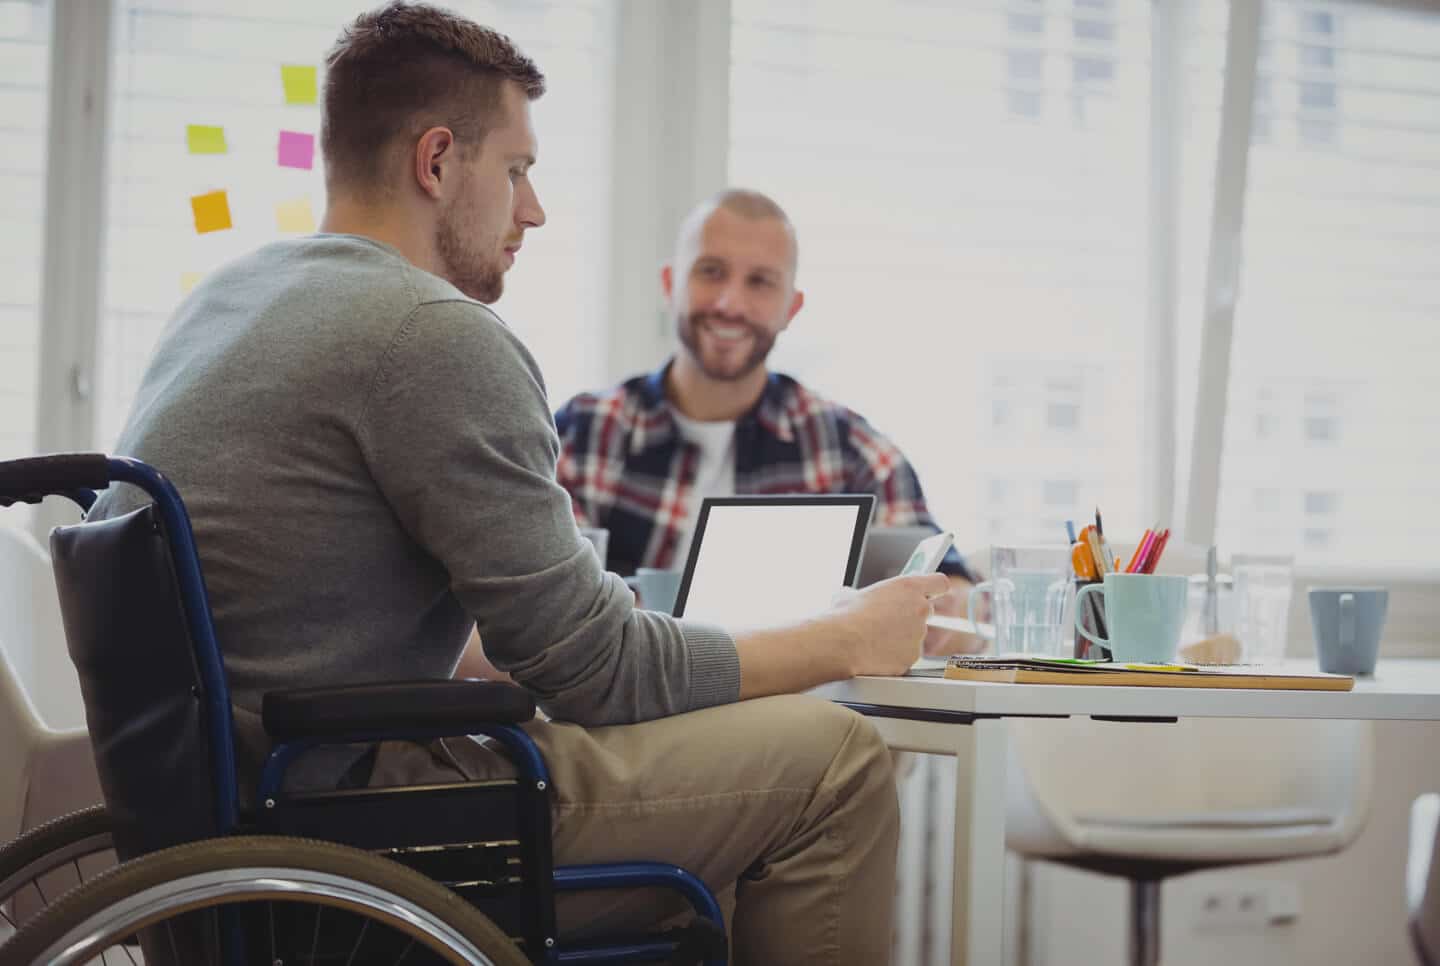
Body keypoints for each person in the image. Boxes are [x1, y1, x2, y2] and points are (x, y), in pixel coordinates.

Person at [90, 5, 948, 963]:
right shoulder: (430, 332)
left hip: (225, 816)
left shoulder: (227, 298)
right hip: (367, 824)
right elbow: (602, 670)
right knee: (833, 759)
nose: (531, 210)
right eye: (518, 170)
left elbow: (297, 605)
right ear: (438, 161)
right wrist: (850, 636)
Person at [555, 189, 982, 654]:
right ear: (669, 283)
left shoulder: (847, 447)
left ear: (791, 309)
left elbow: (946, 585)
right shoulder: (585, 433)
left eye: (760, 282)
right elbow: (548, 605)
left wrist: (946, 608)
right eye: (711, 272)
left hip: (793, 710)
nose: (729, 304)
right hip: (628, 706)